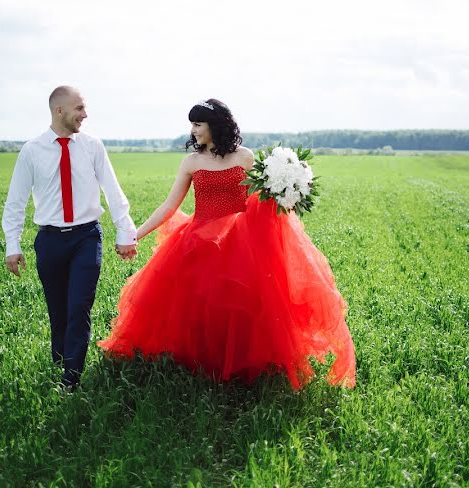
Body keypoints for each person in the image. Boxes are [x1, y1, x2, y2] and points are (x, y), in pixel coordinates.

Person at [98, 99, 355, 389]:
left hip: (240, 239)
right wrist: (135, 234)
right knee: (199, 303)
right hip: (199, 239)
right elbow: (170, 206)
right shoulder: (192, 162)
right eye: (192, 124)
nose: (193, 130)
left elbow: (265, 195)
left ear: (215, 125)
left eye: (198, 124)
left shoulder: (245, 157)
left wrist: (288, 190)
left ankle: (244, 364)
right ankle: (201, 363)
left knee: (243, 304)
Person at [3, 85, 138, 390]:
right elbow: (15, 202)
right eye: (79, 108)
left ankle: (71, 380)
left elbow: (113, 192)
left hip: (86, 237)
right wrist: (13, 245)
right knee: (58, 309)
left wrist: (125, 231)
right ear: (59, 110)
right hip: (49, 241)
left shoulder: (92, 146)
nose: (85, 114)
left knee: (79, 306)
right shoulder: (32, 151)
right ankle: (60, 361)